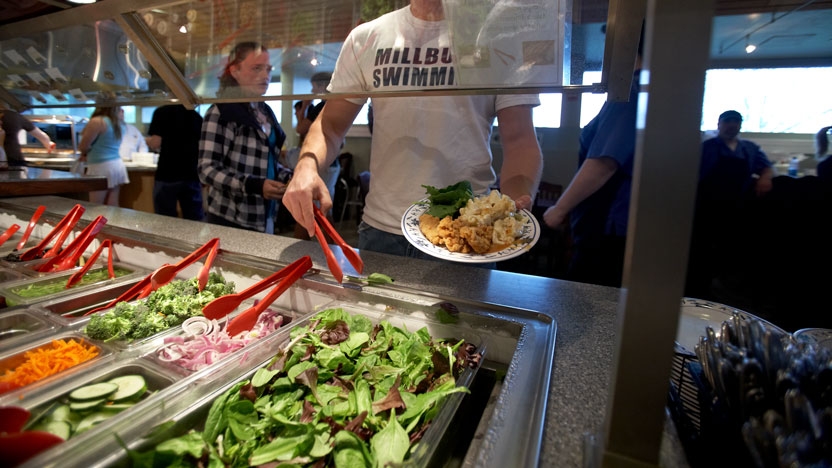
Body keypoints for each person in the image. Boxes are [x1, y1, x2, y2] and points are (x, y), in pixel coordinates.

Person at [282, 0, 543, 259]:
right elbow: (330, 126)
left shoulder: (496, 38)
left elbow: (520, 142)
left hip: (466, 234)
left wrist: (513, 204)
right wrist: (307, 166)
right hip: (381, 231)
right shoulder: (366, 37)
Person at [542, 42, 643, 288]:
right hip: (627, 223)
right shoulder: (653, 90)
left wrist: (559, 209)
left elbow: (603, 163)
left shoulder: (630, 92)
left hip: (608, 224)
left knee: (588, 303)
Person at [199, 41, 289, 233]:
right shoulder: (221, 111)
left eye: (268, 69)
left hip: (265, 216)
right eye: (257, 69)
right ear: (235, 71)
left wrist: (290, 178)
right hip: (230, 219)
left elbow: (267, 162)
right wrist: (252, 185)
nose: (265, 76)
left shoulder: (265, 111)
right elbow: (206, 169)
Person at [686, 110, 774, 299]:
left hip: (735, 207)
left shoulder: (749, 149)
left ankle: (724, 292)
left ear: (740, 125)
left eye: (736, 121)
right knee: (701, 251)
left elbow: (766, 167)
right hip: (706, 207)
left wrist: (765, 178)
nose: (732, 125)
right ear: (719, 124)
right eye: (728, 121)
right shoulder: (707, 147)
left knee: (728, 252)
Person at [292, 71, 340, 239]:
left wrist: (305, 107)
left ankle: (307, 250)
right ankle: (334, 248)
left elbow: (300, 129)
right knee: (323, 206)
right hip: (332, 163)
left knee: (313, 208)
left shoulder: (320, 107)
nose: (312, 91)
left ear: (321, 86)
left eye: (313, 87)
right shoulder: (335, 106)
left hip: (322, 165)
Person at [146, 105, 205, 221]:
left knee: (165, 221)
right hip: (191, 174)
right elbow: (201, 147)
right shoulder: (195, 115)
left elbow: (155, 143)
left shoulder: (161, 112)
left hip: (167, 173)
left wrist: (145, 140)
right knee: (194, 221)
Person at [77, 97, 130, 206]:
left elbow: (83, 146)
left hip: (100, 167)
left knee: (96, 206)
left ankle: (97, 224)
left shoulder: (98, 121)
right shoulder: (119, 123)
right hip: (116, 165)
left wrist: (85, 153)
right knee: (113, 204)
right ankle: (113, 223)